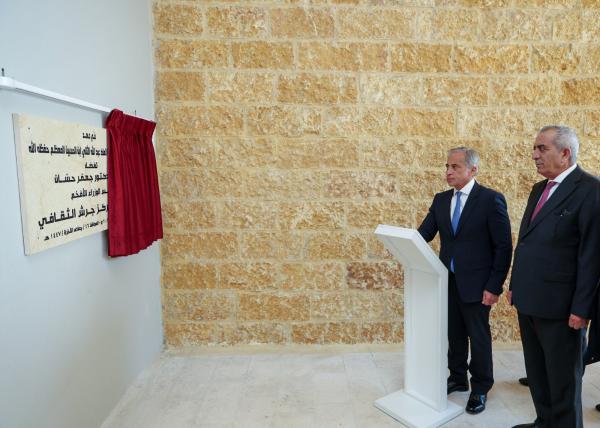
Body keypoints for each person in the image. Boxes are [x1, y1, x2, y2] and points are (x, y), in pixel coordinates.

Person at [508, 125, 600, 428]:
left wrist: (582, 309)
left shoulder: (591, 190)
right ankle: (544, 422)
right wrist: (515, 285)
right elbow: (526, 241)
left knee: (563, 382)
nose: (534, 155)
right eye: (534, 148)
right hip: (529, 299)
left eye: (542, 148)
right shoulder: (539, 189)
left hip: (562, 308)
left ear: (565, 153)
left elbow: (591, 256)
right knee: (538, 374)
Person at [418, 147, 512, 415]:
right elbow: (424, 234)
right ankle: (457, 377)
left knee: (478, 336)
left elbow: (503, 246)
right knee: (454, 334)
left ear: (473, 170)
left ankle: (480, 387)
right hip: (447, 281)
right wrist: (401, 240)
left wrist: (494, 286)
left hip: (478, 285)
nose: (448, 171)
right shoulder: (441, 200)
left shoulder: (490, 199)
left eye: (455, 167)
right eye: (447, 166)